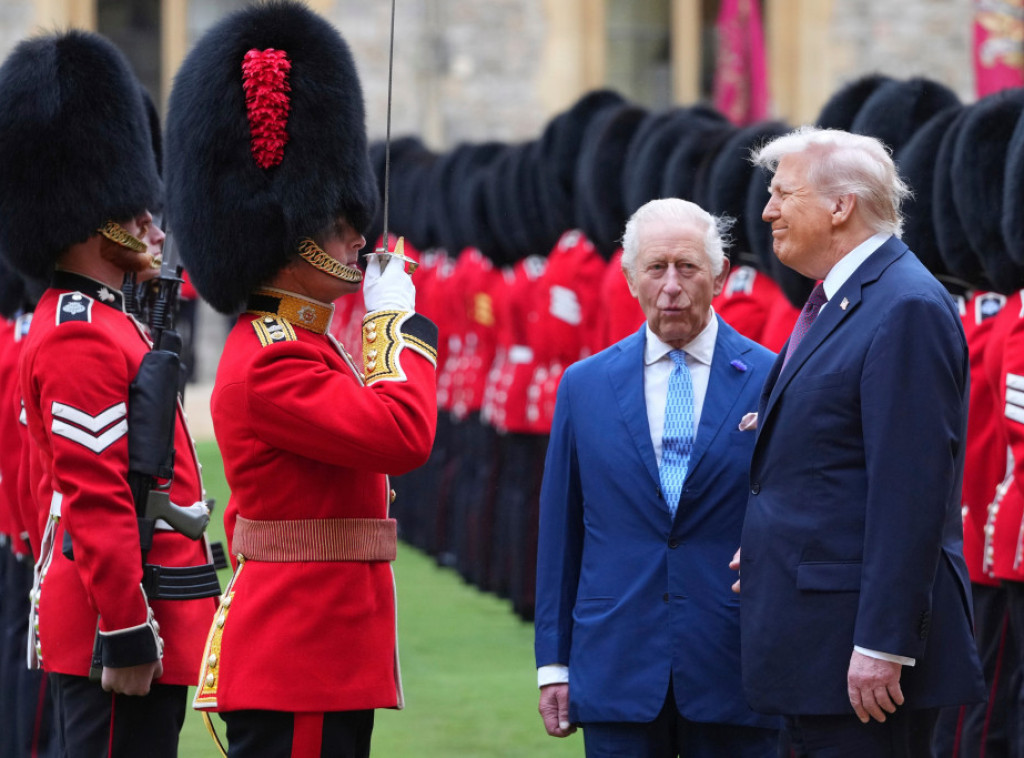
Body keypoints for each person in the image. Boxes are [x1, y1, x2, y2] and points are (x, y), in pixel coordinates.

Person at [164, 3, 438, 756]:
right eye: (337, 225)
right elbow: (402, 433)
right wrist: (397, 326)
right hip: (301, 656)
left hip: (322, 651)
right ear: (289, 236)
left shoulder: (301, 344)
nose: (358, 237)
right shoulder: (275, 357)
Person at [0, 30, 220, 757]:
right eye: (136, 212)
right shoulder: (79, 334)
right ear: (94, 214)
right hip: (116, 628)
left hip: (141, 612)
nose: (152, 225)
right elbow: (96, 495)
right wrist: (125, 630)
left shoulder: (108, 321)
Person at [735, 126, 986, 757]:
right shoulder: (842, 299)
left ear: (840, 206)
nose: (766, 210)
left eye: (782, 194)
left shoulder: (902, 306)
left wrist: (883, 643)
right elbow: (834, 456)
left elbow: (910, 492)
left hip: (861, 656)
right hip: (815, 639)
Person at [534, 197, 779, 757]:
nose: (672, 285)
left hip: (735, 663)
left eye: (688, 267)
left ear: (718, 276)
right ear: (629, 279)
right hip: (616, 662)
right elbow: (561, 534)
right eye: (656, 268)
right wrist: (553, 662)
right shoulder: (584, 385)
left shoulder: (772, 377)